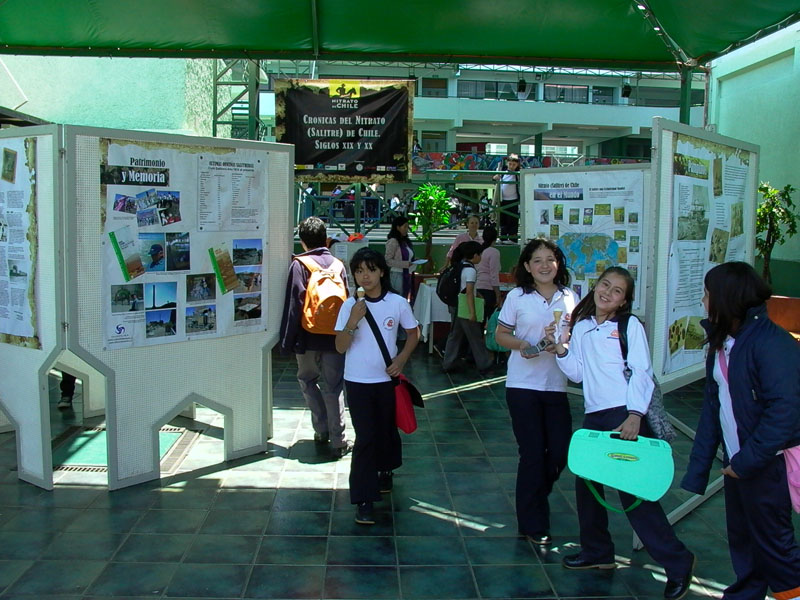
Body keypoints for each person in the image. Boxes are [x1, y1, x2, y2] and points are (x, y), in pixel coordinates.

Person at [551, 266, 695, 600]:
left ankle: (678, 562)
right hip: (595, 415)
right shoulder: (583, 325)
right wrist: (559, 349)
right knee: (587, 487)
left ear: (623, 300)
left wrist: (634, 416)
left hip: (624, 415)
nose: (607, 293)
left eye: (616, 291)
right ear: (595, 286)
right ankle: (597, 551)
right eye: (604, 285)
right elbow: (578, 373)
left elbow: (642, 372)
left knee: (634, 495)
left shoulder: (628, 326)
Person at [681, 262, 800, 600]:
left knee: (775, 544)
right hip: (740, 462)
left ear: (726, 298)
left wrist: (747, 461)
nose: (703, 301)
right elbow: (713, 405)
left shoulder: (772, 344)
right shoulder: (725, 340)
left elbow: (784, 412)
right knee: (744, 540)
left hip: (764, 464)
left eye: (706, 294)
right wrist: (705, 466)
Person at [493, 238, 579, 545]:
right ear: (527, 267)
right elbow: (500, 335)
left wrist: (563, 344)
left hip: (556, 384)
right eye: (537, 260)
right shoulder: (518, 296)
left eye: (550, 259)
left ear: (558, 264)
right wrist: (525, 346)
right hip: (522, 385)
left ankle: (532, 496)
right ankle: (533, 522)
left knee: (559, 451)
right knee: (532, 454)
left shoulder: (570, 296)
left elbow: (575, 336)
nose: (545, 265)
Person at [334, 248, 419, 525]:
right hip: (356, 382)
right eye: (359, 271)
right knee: (365, 439)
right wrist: (352, 321)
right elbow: (340, 346)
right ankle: (364, 499)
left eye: (370, 269)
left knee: (384, 432)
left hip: (386, 382)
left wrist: (402, 359)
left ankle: (386, 470)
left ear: (382, 271)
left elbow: (413, 333)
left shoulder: (396, 303)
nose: (365, 276)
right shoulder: (350, 306)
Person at [278, 216, 352, 459]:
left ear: (302, 241)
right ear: (326, 238)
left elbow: (294, 305)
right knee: (334, 387)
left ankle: (320, 430)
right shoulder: (338, 265)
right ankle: (339, 439)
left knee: (308, 381)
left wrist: (286, 342)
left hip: (307, 337)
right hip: (334, 337)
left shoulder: (300, 265)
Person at [441, 241, 493, 376]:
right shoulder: (470, 270)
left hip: (456, 305)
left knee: (455, 335)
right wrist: (472, 312)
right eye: (480, 254)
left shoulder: (459, 266)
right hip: (465, 307)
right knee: (475, 336)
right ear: (475, 255)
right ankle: (484, 363)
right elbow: (469, 292)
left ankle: (448, 363)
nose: (480, 257)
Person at [385, 216, 415, 301]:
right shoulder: (393, 241)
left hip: (406, 273)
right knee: (397, 298)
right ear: (398, 227)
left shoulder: (405, 242)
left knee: (403, 298)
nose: (406, 229)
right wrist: (405, 264)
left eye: (407, 227)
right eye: (405, 227)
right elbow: (387, 260)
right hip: (397, 274)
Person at [475, 225, 501, 321]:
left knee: (479, 320)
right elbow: (494, 275)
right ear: (495, 238)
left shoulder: (480, 251)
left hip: (477, 287)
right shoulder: (494, 252)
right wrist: (498, 294)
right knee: (490, 321)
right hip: (488, 290)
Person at [493, 154, 521, 243]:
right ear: (507, 163)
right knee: (503, 220)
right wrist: (495, 178)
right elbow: (495, 180)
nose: (512, 166)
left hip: (514, 201)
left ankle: (513, 238)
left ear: (517, 165)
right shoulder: (503, 172)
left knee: (512, 221)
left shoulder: (519, 174)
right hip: (503, 200)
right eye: (510, 164)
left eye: (514, 164)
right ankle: (503, 238)